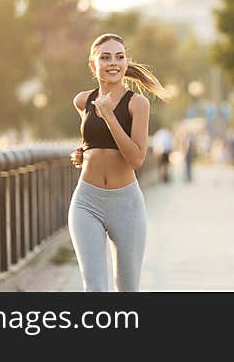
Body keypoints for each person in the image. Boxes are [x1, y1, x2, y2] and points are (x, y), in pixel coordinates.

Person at [68, 33, 167, 292]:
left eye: (119, 57)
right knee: (95, 289)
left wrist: (110, 116)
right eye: (106, 57)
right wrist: (83, 151)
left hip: (126, 205)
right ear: (93, 64)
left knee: (127, 289)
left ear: (126, 62)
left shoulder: (138, 104)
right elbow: (91, 138)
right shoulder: (83, 100)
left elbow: (136, 158)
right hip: (86, 201)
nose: (113, 62)